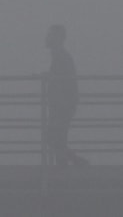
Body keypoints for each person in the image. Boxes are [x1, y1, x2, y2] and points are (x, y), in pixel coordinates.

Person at [44, 24, 88, 167]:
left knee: (55, 138)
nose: (47, 37)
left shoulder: (62, 56)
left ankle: (70, 164)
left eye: (51, 35)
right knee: (57, 138)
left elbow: (64, 81)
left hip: (62, 105)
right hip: (60, 104)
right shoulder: (60, 55)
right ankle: (66, 166)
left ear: (58, 38)